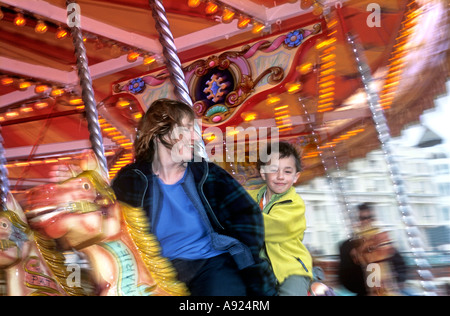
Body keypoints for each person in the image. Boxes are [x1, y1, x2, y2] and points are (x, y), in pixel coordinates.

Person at [111, 98, 276, 296]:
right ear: (159, 134)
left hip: (209, 263)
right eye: (186, 129)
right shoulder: (131, 181)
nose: (194, 137)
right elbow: (107, 217)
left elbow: (247, 214)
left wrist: (243, 252)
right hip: (155, 272)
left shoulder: (208, 175)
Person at [247, 141, 313, 296]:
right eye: (274, 170)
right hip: (259, 269)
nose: (280, 177)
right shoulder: (249, 196)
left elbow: (274, 227)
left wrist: (238, 217)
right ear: (263, 173)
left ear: (296, 177)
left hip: (290, 268)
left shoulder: (294, 204)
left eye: (288, 171)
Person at [338, 203, 408, 296]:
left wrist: (395, 279)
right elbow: (346, 279)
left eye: (370, 217)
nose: (367, 221)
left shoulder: (383, 240)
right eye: (362, 218)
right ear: (356, 221)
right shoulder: (348, 246)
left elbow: (400, 265)